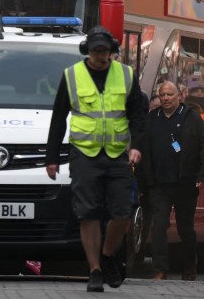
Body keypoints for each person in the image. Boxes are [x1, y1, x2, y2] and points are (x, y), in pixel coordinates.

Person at [45, 27, 147, 292]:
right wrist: (52, 158)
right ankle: (95, 271)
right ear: (87, 52)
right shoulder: (72, 76)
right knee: (88, 213)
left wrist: (136, 146)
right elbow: (58, 119)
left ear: (112, 51)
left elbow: (137, 114)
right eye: (96, 51)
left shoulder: (125, 75)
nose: (101, 56)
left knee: (123, 213)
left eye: (105, 51)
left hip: (117, 154)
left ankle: (108, 254)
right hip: (84, 154)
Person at [138, 81, 204, 281]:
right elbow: (143, 147)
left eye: (170, 94)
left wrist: (202, 176)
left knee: (184, 228)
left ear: (179, 95)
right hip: (159, 185)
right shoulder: (152, 119)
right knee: (159, 225)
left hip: (185, 183)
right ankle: (160, 269)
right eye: (162, 95)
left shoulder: (192, 118)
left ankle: (189, 266)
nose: (166, 98)